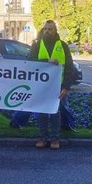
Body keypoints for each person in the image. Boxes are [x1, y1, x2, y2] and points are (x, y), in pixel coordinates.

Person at [30, 20, 75, 150]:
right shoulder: (37, 45)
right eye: (45, 29)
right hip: (41, 84)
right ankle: (43, 137)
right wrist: (47, 61)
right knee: (42, 111)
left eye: (50, 29)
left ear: (55, 31)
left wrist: (66, 87)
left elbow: (69, 68)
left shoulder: (63, 46)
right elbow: (30, 61)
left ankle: (55, 138)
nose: (47, 31)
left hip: (58, 85)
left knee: (56, 112)